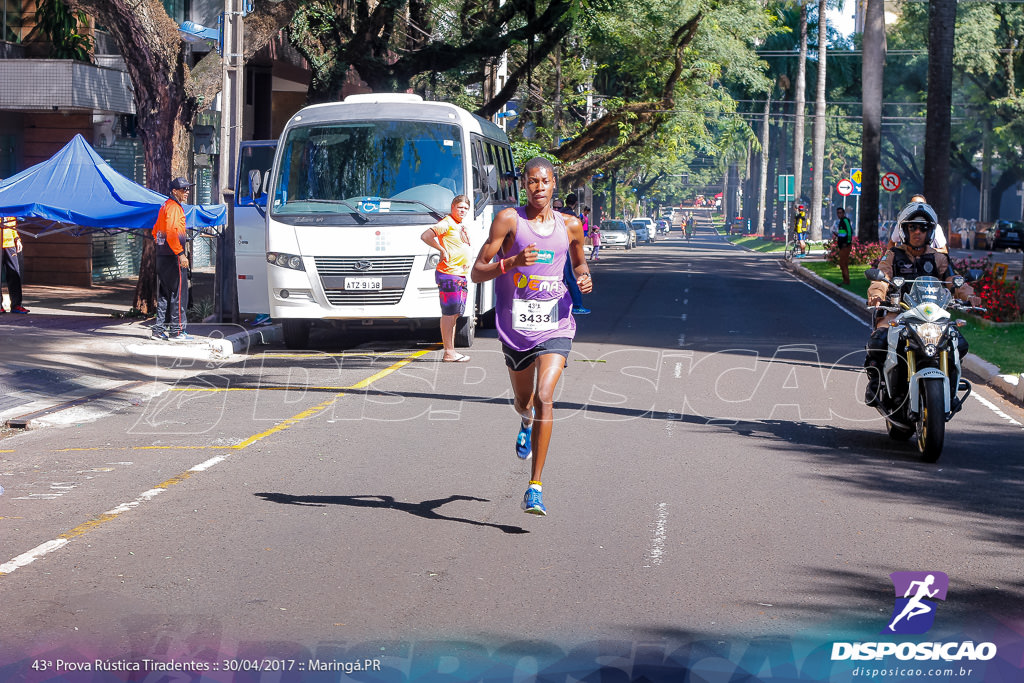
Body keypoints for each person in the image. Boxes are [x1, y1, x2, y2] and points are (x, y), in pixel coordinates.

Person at [470, 157, 593, 516]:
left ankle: (534, 487)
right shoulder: (509, 220)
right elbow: (477, 272)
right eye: (532, 182)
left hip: (556, 322)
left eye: (545, 181)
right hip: (515, 326)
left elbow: (579, 263)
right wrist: (512, 262)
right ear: (524, 185)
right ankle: (524, 420)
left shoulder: (570, 225)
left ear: (555, 184)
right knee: (524, 402)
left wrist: (584, 277)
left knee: (544, 396)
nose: (539, 187)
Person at [863, 201, 978, 407]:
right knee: (878, 341)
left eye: (923, 228)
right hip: (898, 312)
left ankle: (951, 387)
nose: (918, 232)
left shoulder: (938, 258)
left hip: (932, 313)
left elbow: (954, 280)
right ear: (904, 230)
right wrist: (877, 294)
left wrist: (969, 295)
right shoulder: (892, 255)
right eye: (912, 227)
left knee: (959, 344)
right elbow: (881, 278)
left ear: (930, 231)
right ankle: (875, 382)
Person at [420, 195, 472, 362]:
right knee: (449, 314)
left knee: (455, 313)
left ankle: (451, 350)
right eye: (459, 207)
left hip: (459, 274)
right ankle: (449, 352)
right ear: (452, 207)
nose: (462, 211)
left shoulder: (459, 225)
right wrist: (441, 250)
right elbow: (426, 235)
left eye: (465, 208)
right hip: (449, 274)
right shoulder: (447, 223)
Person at [152, 176, 193, 341]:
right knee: (179, 294)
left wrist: (162, 247)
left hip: (162, 256)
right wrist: (180, 253)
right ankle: (177, 331)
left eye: (188, 189)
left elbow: (155, 231)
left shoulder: (165, 206)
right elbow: (170, 232)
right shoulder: (175, 207)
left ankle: (158, 330)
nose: (187, 192)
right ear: (175, 191)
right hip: (173, 257)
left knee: (164, 293)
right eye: (184, 189)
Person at [558, 193, 590, 315]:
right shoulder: (571, 217)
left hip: (561, 249)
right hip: (567, 249)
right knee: (572, 278)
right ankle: (577, 305)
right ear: (576, 203)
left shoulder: (560, 213)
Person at [1, 215, 28, 314]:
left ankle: (16, 305)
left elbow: (12, 225)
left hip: (10, 244)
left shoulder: (10, 208)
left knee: (15, 274)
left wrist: (16, 238)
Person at [832, 206, 853, 285]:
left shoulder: (845, 220)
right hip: (842, 245)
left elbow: (849, 232)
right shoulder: (840, 222)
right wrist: (837, 235)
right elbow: (843, 233)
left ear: (843, 213)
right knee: (842, 263)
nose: (839, 214)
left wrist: (847, 242)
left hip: (845, 246)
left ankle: (846, 281)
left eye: (840, 213)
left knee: (843, 263)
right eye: (838, 213)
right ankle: (845, 280)